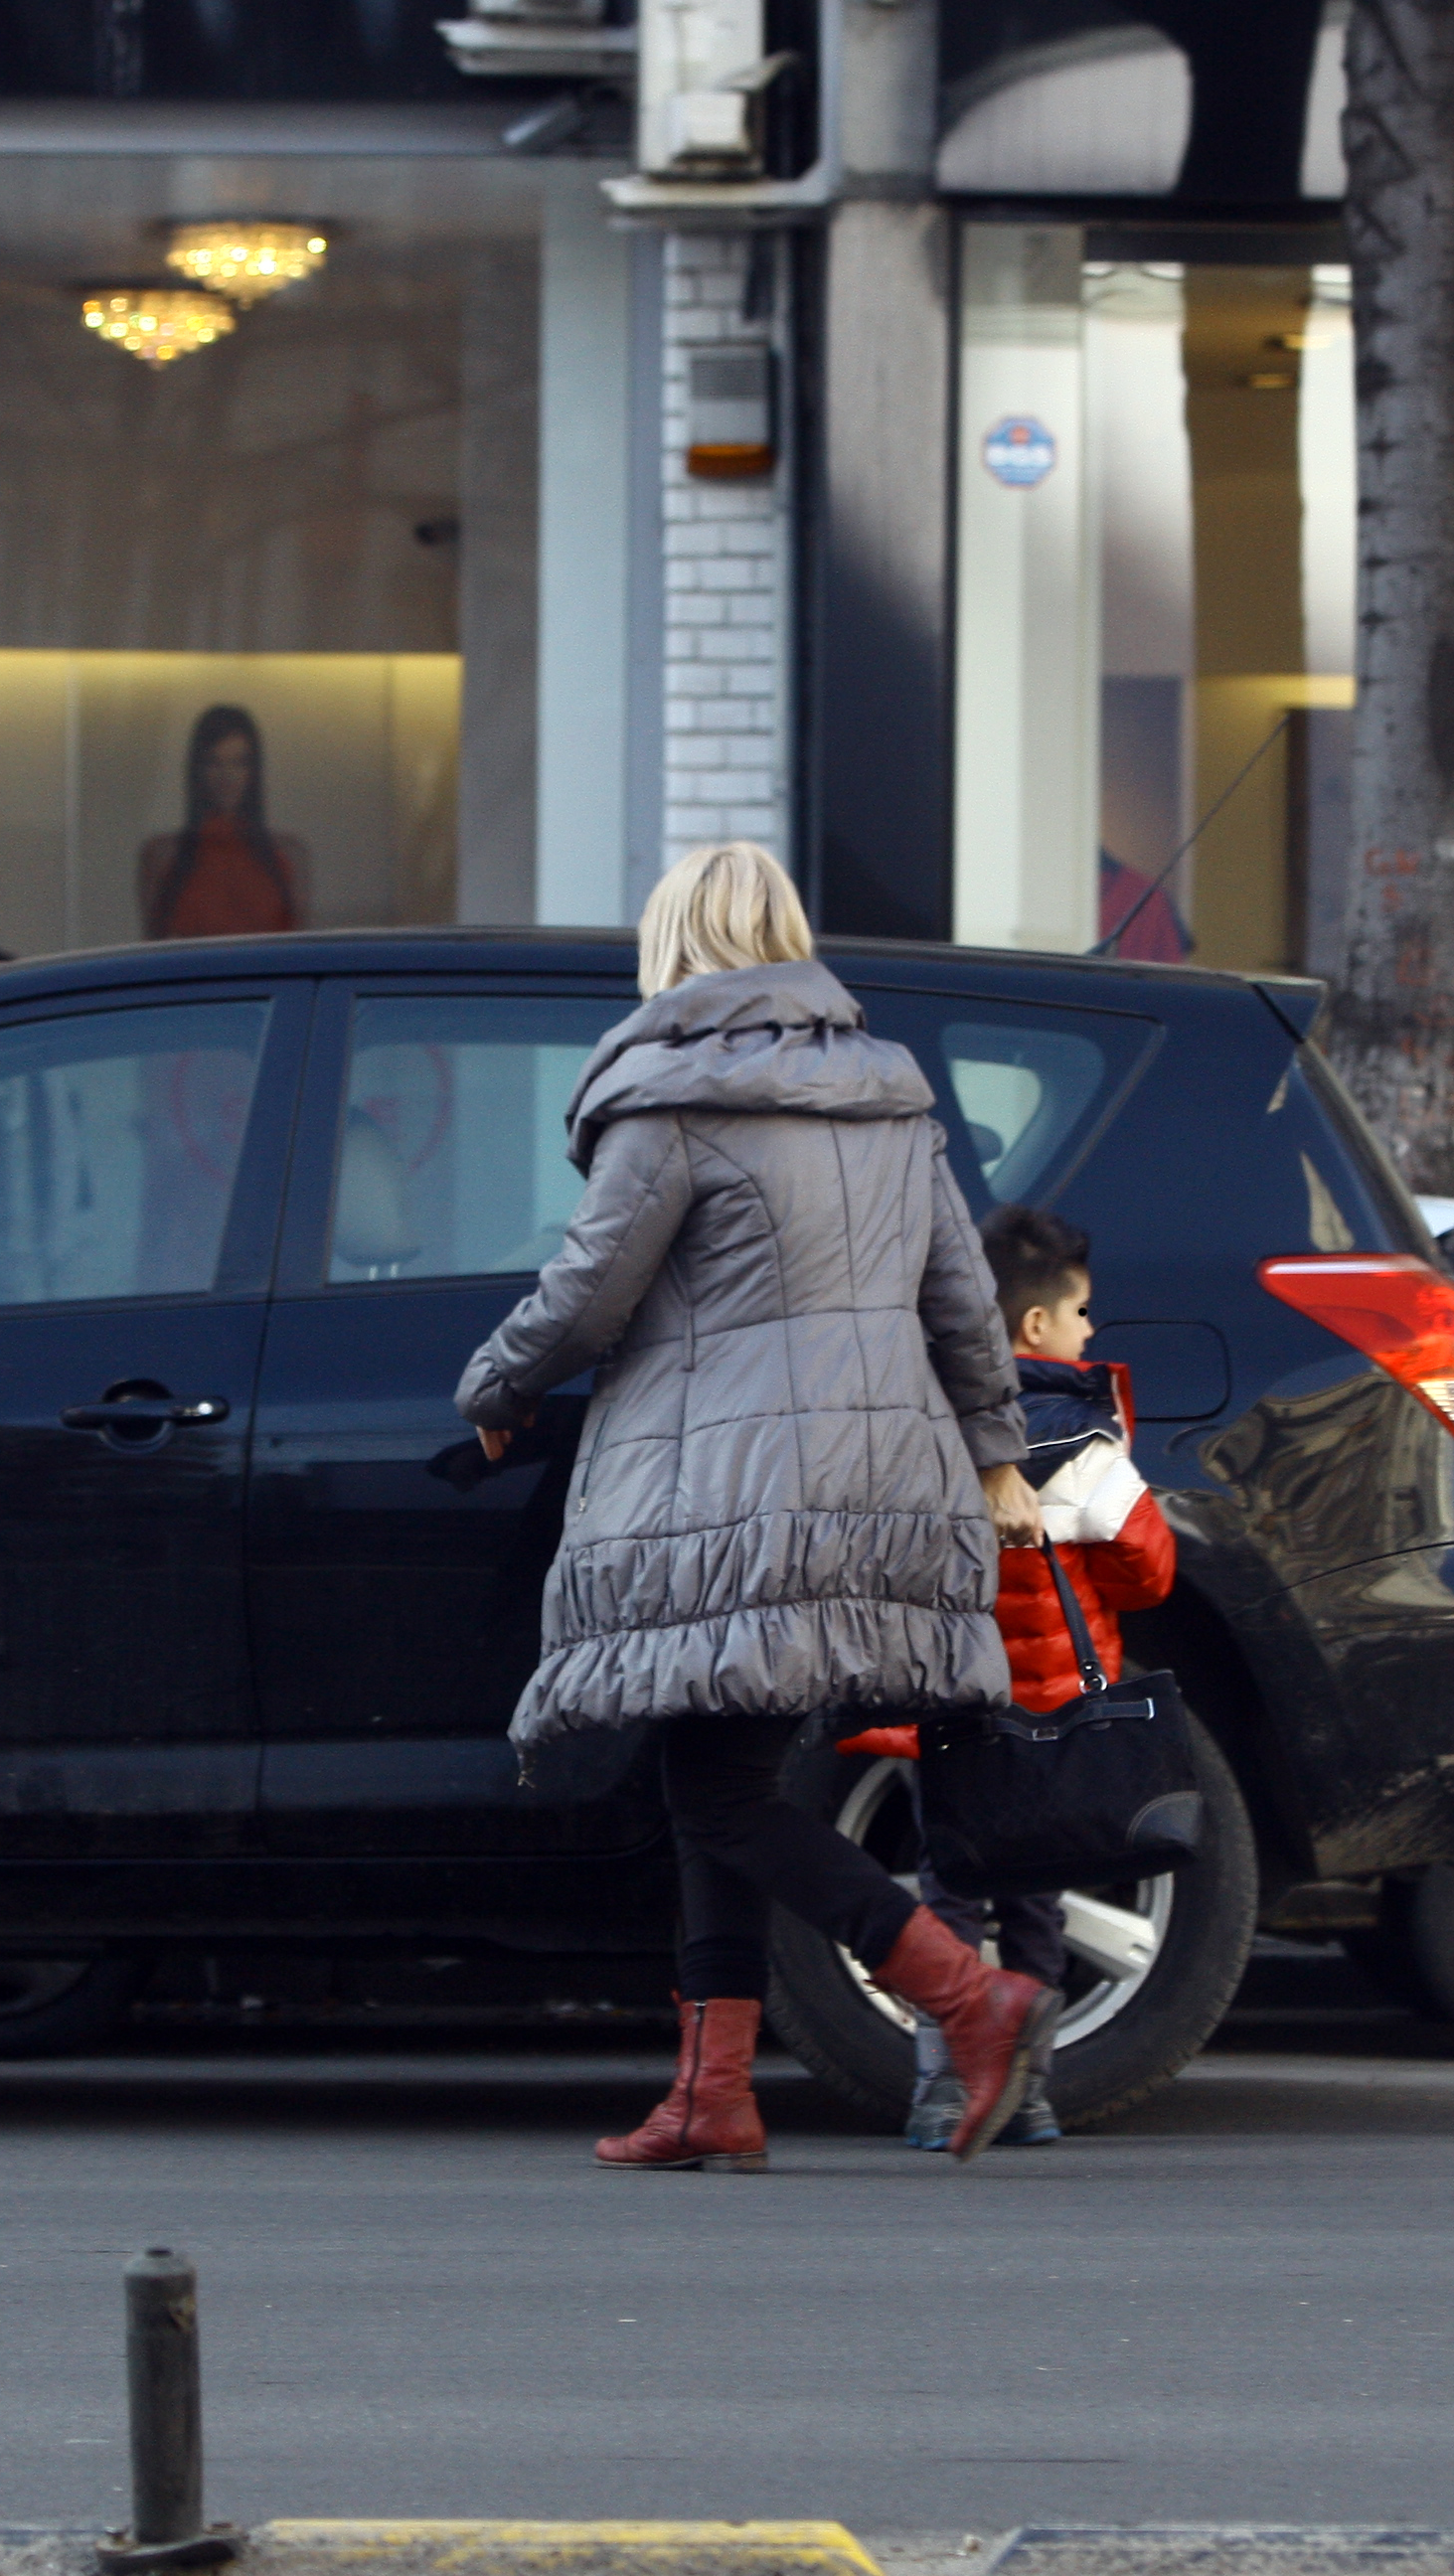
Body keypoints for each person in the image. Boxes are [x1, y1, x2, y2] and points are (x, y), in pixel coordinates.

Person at [455, 840, 1064, 2170]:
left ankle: (970, 1998)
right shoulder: (891, 1101)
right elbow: (963, 1301)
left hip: (730, 1490)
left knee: (725, 1794)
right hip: (876, 1480)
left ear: (672, 947)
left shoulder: (673, 1095)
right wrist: (995, 1456)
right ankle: (713, 2093)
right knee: (712, 1779)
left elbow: (590, 1288)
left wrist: (492, 1385)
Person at [886, 1202, 1180, 2150]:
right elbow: (1150, 1569)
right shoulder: (1086, 1448)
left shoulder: (924, 1431)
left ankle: (939, 2089)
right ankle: (1034, 2092)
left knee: (948, 1890)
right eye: (1084, 1312)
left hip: (953, 1708)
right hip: (1053, 1713)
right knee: (1037, 1898)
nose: (1093, 1330)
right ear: (1038, 1328)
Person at [135, 704, 307, 940]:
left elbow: (297, 949)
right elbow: (155, 951)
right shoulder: (164, 855)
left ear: (253, 770)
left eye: (239, 762)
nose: (227, 776)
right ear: (198, 769)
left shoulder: (286, 855)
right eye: (214, 762)